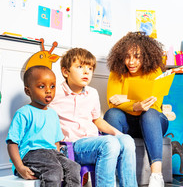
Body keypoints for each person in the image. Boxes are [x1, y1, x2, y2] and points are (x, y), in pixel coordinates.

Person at [49, 48, 137, 187]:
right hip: (72, 146)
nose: (86, 72)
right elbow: (45, 118)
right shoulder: (54, 93)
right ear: (66, 72)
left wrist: (117, 134)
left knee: (127, 140)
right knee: (109, 143)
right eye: (80, 67)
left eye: (90, 68)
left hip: (94, 142)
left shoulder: (92, 93)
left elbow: (96, 120)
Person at [103, 31, 168, 187]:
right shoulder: (117, 72)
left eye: (137, 57)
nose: (131, 62)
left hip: (154, 122)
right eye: (127, 57)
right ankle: (116, 174)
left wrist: (126, 99)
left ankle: (156, 176)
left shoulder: (155, 71)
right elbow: (112, 102)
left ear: (146, 56)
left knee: (150, 113)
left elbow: (154, 103)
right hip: (128, 124)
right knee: (111, 114)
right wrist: (136, 104)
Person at [6, 65, 81, 187]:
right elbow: (12, 143)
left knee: (73, 167)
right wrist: (19, 167)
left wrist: (59, 158)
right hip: (31, 154)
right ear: (28, 91)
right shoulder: (24, 113)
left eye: (52, 86)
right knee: (54, 170)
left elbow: (56, 143)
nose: (48, 90)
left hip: (52, 153)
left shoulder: (52, 114)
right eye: (42, 86)